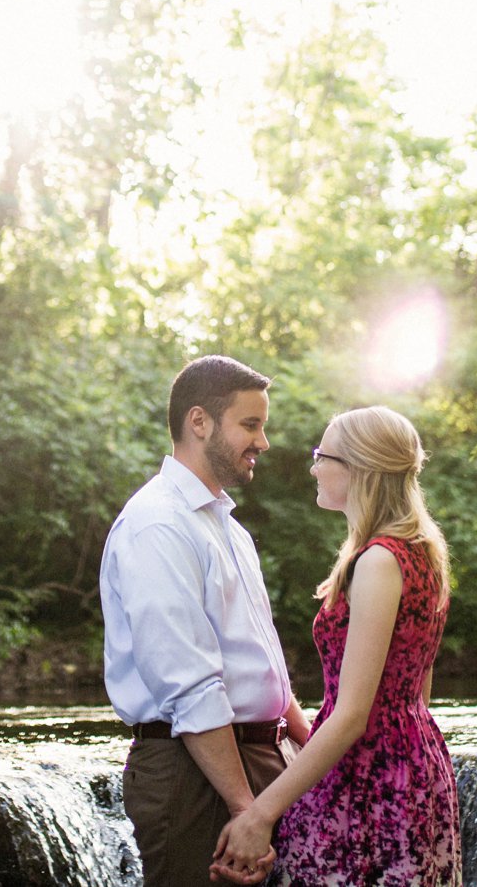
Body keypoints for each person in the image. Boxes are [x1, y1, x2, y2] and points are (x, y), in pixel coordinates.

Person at [211, 406, 461, 887]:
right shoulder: (422, 551)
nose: (313, 467)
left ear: (360, 468)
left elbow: (352, 715)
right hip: (413, 761)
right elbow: (417, 688)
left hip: (369, 779)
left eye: (322, 455)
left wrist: (261, 814)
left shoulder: (380, 561)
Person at [101, 355, 314, 887]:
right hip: (194, 777)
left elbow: (259, 658)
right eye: (251, 424)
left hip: (257, 763)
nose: (263, 442)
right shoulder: (159, 526)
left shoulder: (226, 526)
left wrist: (305, 749)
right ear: (200, 422)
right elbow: (191, 683)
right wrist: (246, 810)